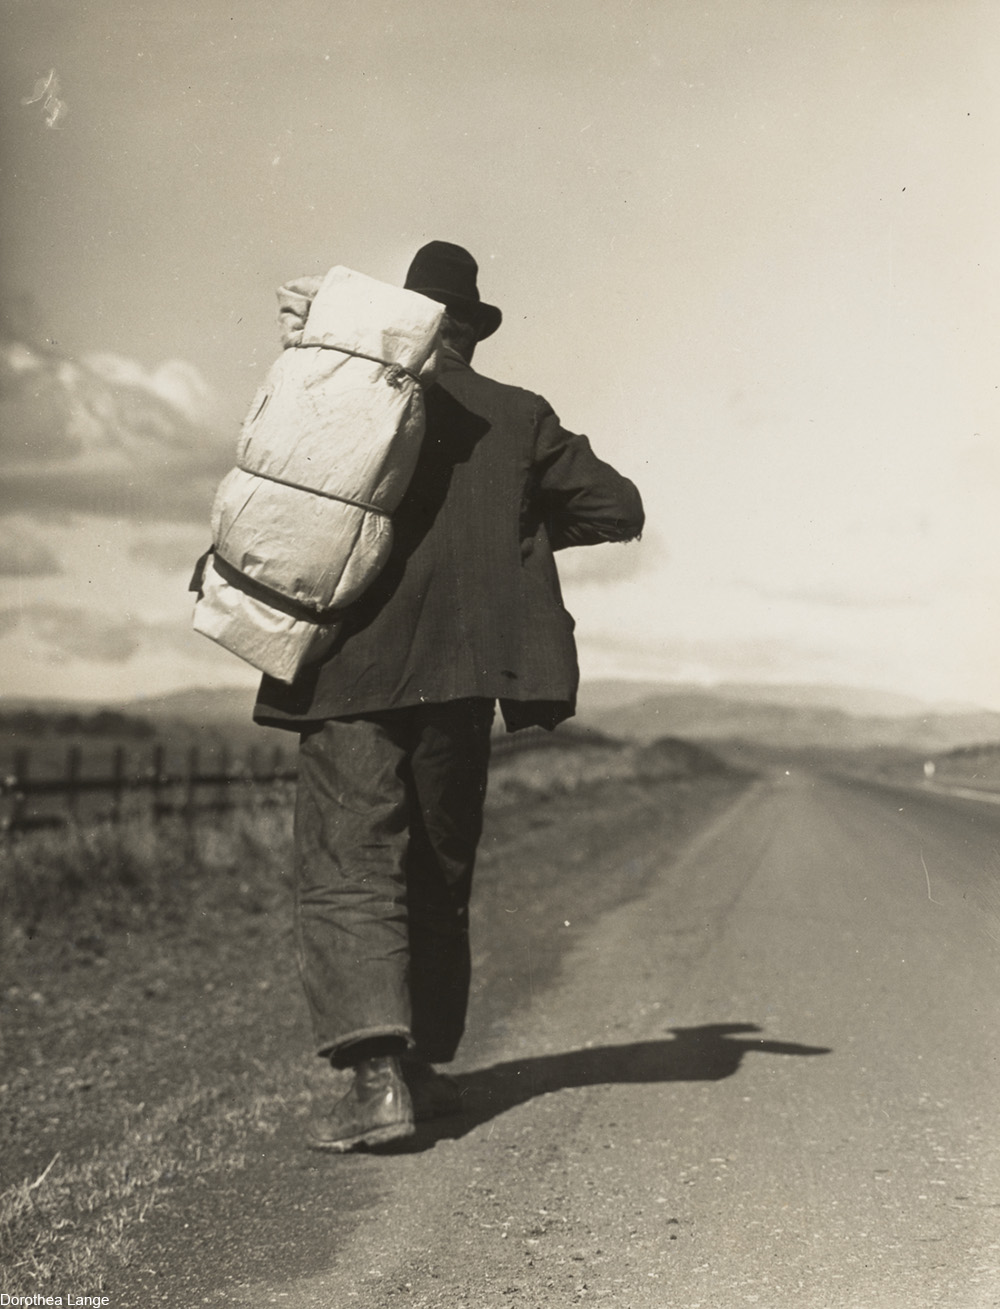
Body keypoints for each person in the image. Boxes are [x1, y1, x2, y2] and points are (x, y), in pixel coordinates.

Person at [253, 241, 645, 1151]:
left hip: (343, 669)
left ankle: (378, 1084)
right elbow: (617, 508)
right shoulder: (518, 417)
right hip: (463, 680)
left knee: (351, 862)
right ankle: (422, 1069)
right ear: (469, 329)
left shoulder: (338, 393)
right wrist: (506, 532)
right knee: (437, 864)